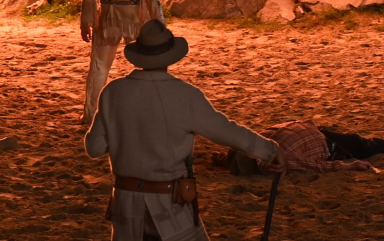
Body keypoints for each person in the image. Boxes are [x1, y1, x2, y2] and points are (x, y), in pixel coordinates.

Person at [85, 19, 282, 241]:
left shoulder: (112, 92)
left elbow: (94, 148)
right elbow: (228, 132)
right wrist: (271, 151)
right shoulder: (186, 95)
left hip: (125, 203)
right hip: (169, 204)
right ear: (171, 56)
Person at [81, 0, 164, 126]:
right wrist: (159, 23)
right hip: (134, 21)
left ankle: (91, 115)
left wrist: (85, 23)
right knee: (144, 66)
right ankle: (148, 111)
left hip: (106, 22)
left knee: (99, 67)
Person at [229, 120, 384, 174]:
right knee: (358, 144)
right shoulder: (278, 158)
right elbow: (315, 165)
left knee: (352, 140)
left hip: (308, 132)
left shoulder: (256, 145)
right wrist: (350, 166)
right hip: (322, 144)